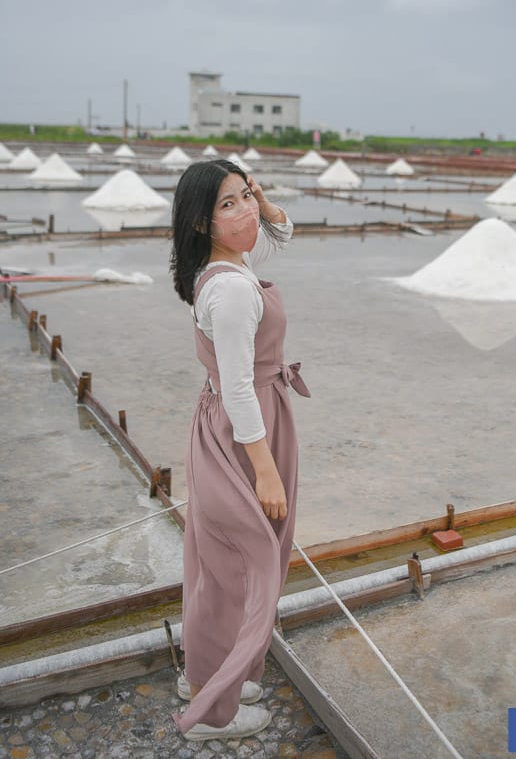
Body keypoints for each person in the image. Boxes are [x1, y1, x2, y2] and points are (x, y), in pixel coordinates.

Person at [169, 159, 309, 743]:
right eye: (229, 204)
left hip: (231, 421)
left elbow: (283, 233)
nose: (247, 211)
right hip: (244, 430)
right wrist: (267, 472)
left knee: (220, 559)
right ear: (202, 222)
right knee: (239, 564)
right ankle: (211, 712)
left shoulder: (228, 263)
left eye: (245, 196)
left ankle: (211, 676)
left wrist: (263, 204)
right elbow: (238, 387)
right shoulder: (229, 289)